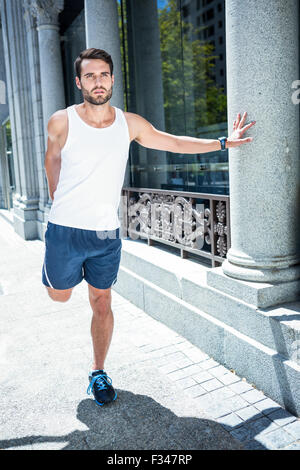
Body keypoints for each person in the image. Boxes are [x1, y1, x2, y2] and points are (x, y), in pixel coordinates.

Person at [43, 48, 256, 407]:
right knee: (59, 295)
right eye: (90, 76)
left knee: (101, 300)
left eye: (104, 75)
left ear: (112, 79)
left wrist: (223, 142)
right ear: (79, 82)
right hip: (64, 231)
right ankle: (56, 279)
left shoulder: (130, 124)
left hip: (105, 234)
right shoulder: (62, 121)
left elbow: (173, 142)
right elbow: (52, 160)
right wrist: (58, 201)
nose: (98, 81)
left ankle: (98, 371)